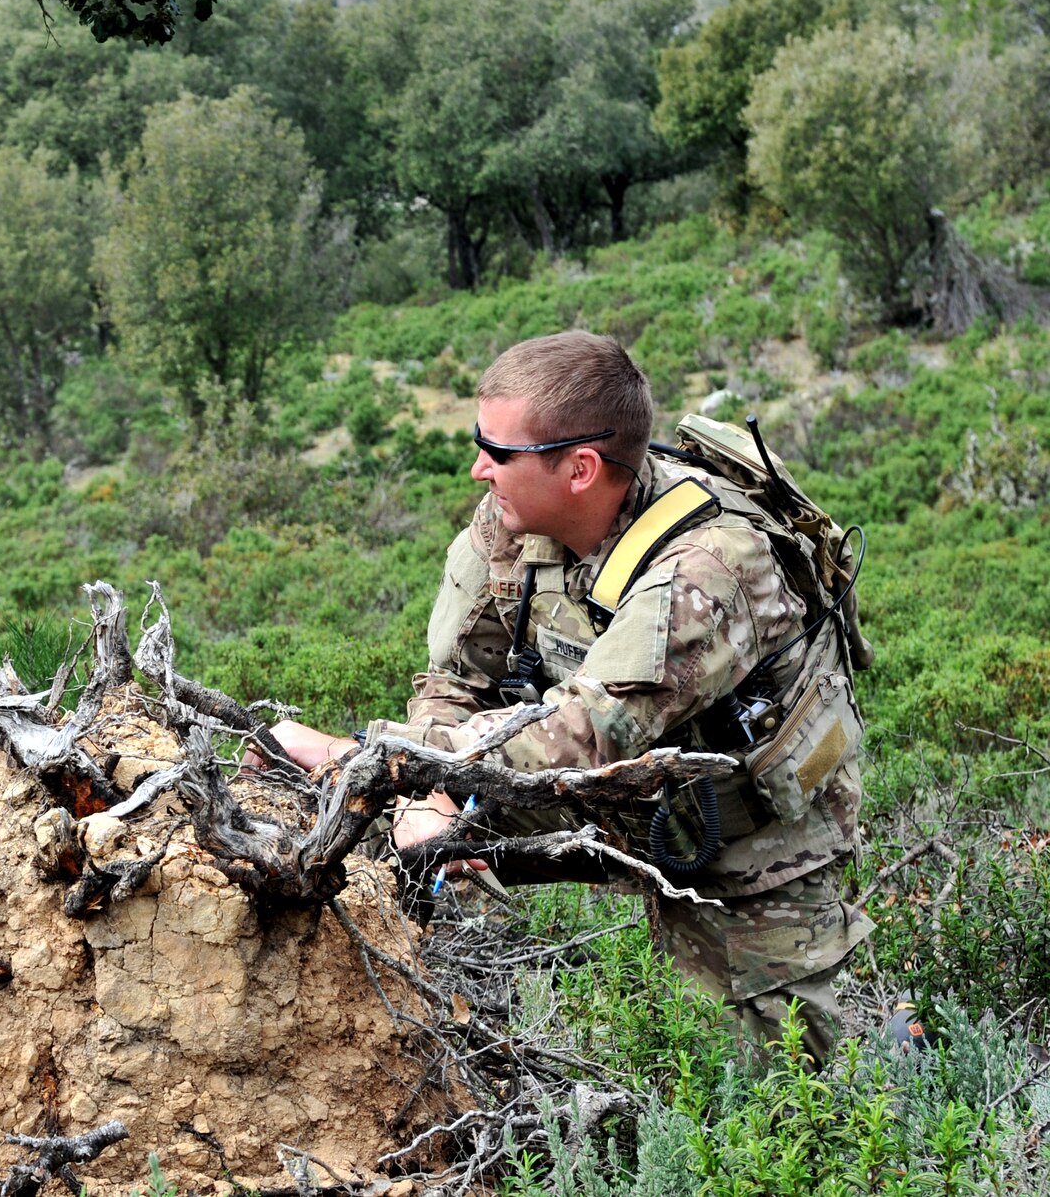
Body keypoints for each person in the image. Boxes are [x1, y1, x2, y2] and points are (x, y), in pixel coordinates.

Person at [272, 331, 871, 1061]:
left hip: (743, 833)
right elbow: (455, 680)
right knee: (355, 817)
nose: (476, 468)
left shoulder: (711, 569)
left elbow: (591, 732)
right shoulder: (510, 526)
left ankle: (888, 1045)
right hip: (599, 789)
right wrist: (428, 797)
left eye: (497, 452)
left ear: (580, 468)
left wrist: (376, 757)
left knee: (783, 1092)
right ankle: (394, 1039)